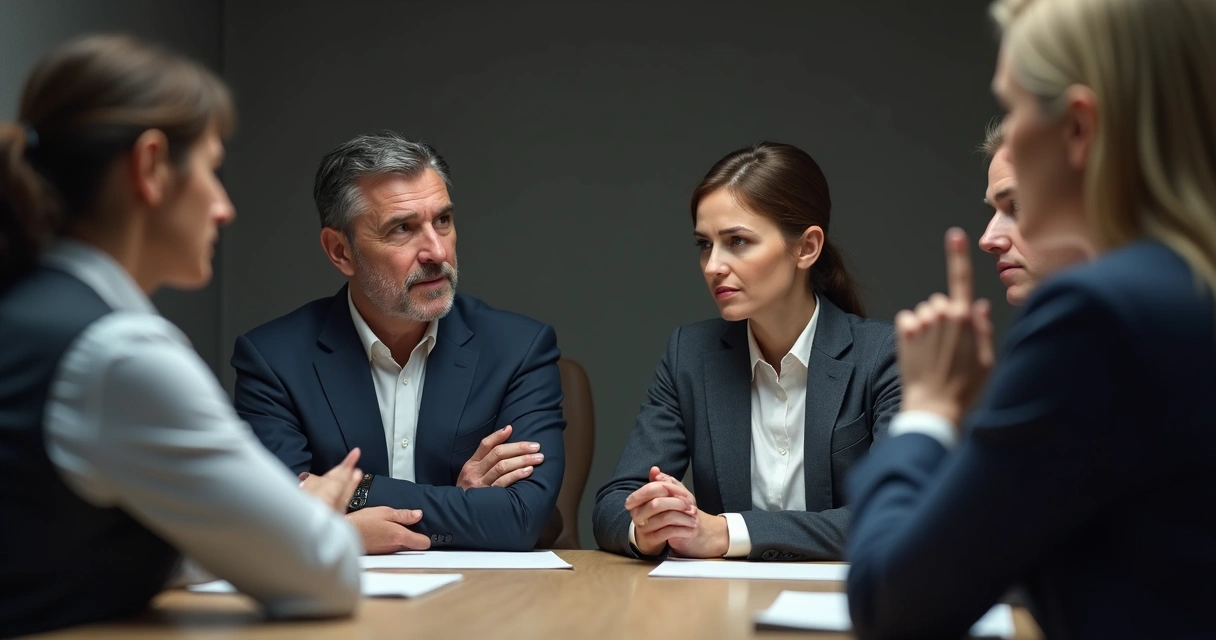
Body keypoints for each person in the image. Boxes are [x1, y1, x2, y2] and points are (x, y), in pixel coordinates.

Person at [846, 0, 1216, 638]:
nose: (1006, 136)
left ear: (1077, 128)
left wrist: (927, 409)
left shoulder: (1098, 317)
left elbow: (893, 606)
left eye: (1013, 109)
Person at [0, 35, 363, 637]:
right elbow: (326, 573)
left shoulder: (27, 312)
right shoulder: (119, 356)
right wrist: (308, 519)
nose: (224, 208)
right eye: (211, 170)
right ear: (149, 168)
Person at [232, 131, 565, 554]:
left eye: (442, 221)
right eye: (403, 229)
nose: (436, 252)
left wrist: (351, 494)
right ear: (340, 251)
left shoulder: (518, 349)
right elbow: (276, 512)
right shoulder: (273, 360)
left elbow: (520, 518)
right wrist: (461, 502)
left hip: (479, 591)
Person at [593, 142, 901, 561]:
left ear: (807, 247)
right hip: (728, 597)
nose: (712, 266)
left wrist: (725, 532)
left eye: (737, 241)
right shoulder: (690, 355)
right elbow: (614, 504)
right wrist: (650, 525)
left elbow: (892, 514)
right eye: (704, 244)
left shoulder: (885, 355)